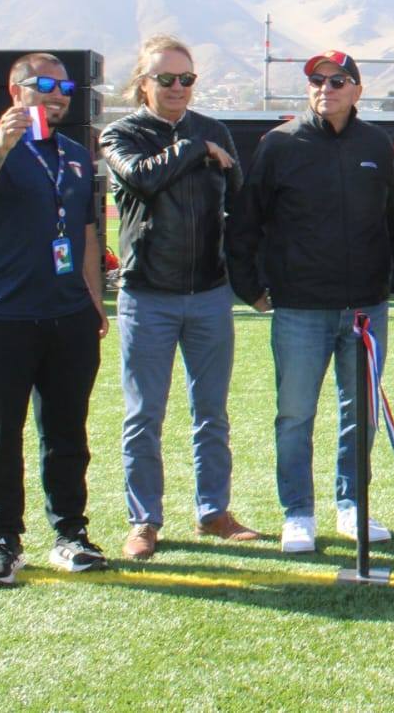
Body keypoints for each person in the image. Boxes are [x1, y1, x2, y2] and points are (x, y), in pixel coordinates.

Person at [226, 50, 394, 554]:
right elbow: (246, 221)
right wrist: (248, 284)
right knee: (295, 414)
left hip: (366, 308)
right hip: (301, 307)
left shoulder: (375, 144)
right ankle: (298, 512)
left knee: (360, 413)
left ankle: (352, 507)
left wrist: (381, 279)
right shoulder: (280, 144)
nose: (327, 87)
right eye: (317, 80)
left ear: (357, 89)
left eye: (339, 80)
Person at [0, 52, 110, 586]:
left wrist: (92, 301)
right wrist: (3, 145)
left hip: (67, 316)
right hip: (3, 315)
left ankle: (70, 533)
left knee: (67, 432)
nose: (59, 94)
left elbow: (85, 231)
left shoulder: (73, 154)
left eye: (65, 86)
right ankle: (3, 543)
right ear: (17, 90)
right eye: (45, 84)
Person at [101, 35, 260, 561]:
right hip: (148, 296)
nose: (176, 88)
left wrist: (248, 283)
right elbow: (144, 179)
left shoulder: (214, 131)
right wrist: (192, 150)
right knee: (145, 415)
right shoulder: (121, 133)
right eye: (165, 79)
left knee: (211, 412)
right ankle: (144, 521)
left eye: (186, 79)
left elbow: (241, 208)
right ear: (142, 84)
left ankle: (213, 511)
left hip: (209, 294)